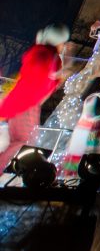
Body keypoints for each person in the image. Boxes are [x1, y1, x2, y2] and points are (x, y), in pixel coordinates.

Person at [0, 24, 69, 170]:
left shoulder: (47, 55)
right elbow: (35, 81)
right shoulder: (44, 55)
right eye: (63, 42)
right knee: (22, 140)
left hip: (27, 104)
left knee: (23, 140)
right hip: (25, 104)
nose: (64, 46)